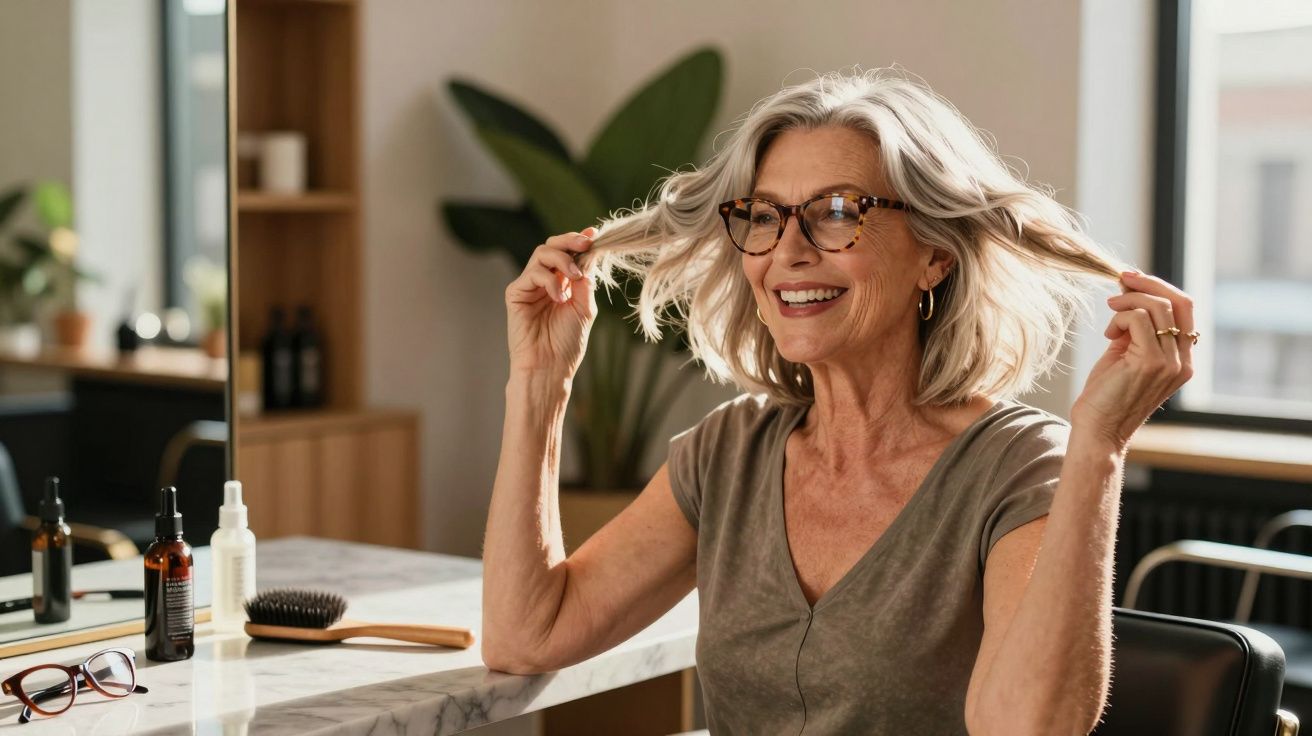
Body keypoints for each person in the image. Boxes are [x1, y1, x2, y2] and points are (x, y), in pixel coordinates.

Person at [481, 69, 1196, 735]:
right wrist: (540, 383)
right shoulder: (729, 453)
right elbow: (527, 636)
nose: (787, 250)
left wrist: (1099, 450)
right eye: (763, 215)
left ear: (934, 254)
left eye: (836, 212)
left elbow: (1026, 728)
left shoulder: (1018, 466)